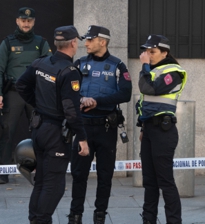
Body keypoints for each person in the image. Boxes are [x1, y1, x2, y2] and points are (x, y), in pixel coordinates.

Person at [16, 25, 90, 224]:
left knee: (41, 181)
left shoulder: (40, 63)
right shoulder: (70, 71)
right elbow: (71, 110)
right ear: (73, 43)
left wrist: (39, 105)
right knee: (54, 185)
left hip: (39, 129)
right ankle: (41, 220)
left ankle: (36, 220)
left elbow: (21, 85)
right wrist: (82, 137)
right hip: (56, 133)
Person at [68, 25, 132, 224]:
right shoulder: (78, 64)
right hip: (83, 128)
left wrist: (97, 101)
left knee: (105, 176)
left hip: (106, 128)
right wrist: (81, 100)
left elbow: (125, 94)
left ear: (102, 42)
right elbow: (67, 91)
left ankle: (100, 215)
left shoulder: (118, 66)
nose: (85, 43)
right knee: (79, 174)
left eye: (89, 40)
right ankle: (75, 216)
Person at [0, 7, 52, 184]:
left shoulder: (41, 43)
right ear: (17, 21)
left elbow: (50, 69)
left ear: (33, 22)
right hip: (14, 94)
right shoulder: (8, 43)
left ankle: (41, 170)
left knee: (40, 132)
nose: (26, 23)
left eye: (29, 20)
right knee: (7, 132)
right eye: (23, 20)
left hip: (35, 94)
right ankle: (2, 172)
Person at [136, 34, 187, 224]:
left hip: (163, 132)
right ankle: (148, 220)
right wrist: (142, 128)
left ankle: (173, 221)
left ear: (164, 52)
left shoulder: (174, 72)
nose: (148, 55)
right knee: (149, 182)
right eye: (146, 51)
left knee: (165, 181)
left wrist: (144, 66)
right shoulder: (153, 71)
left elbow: (148, 89)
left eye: (152, 51)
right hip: (149, 130)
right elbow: (146, 103)